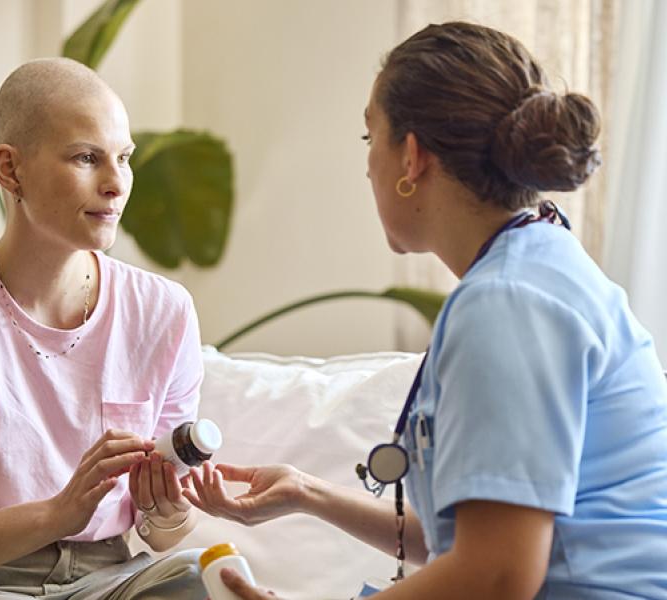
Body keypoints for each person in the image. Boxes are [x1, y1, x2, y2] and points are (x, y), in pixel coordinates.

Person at [182, 22, 667, 600]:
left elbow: (497, 574)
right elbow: (471, 543)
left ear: (411, 157)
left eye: (370, 139)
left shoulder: (507, 304)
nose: (368, 168)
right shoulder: (539, 262)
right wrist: (307, 493)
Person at [0, 58, 207, 600]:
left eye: (123, 158)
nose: (116, 183)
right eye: (86, 158)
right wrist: (57, 514)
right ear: (10, 170)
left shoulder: (164, 311)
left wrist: (165, 512)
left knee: (214, 578)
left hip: (107, 577)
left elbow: (164, 535)